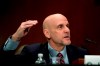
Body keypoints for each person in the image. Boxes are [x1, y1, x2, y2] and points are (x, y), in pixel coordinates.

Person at [1, 13, 88, 65]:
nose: (67, 30)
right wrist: (16, 37)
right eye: (60, 27)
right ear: (47, 33)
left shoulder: (81, 53)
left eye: (67, 26)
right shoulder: (32, 52)